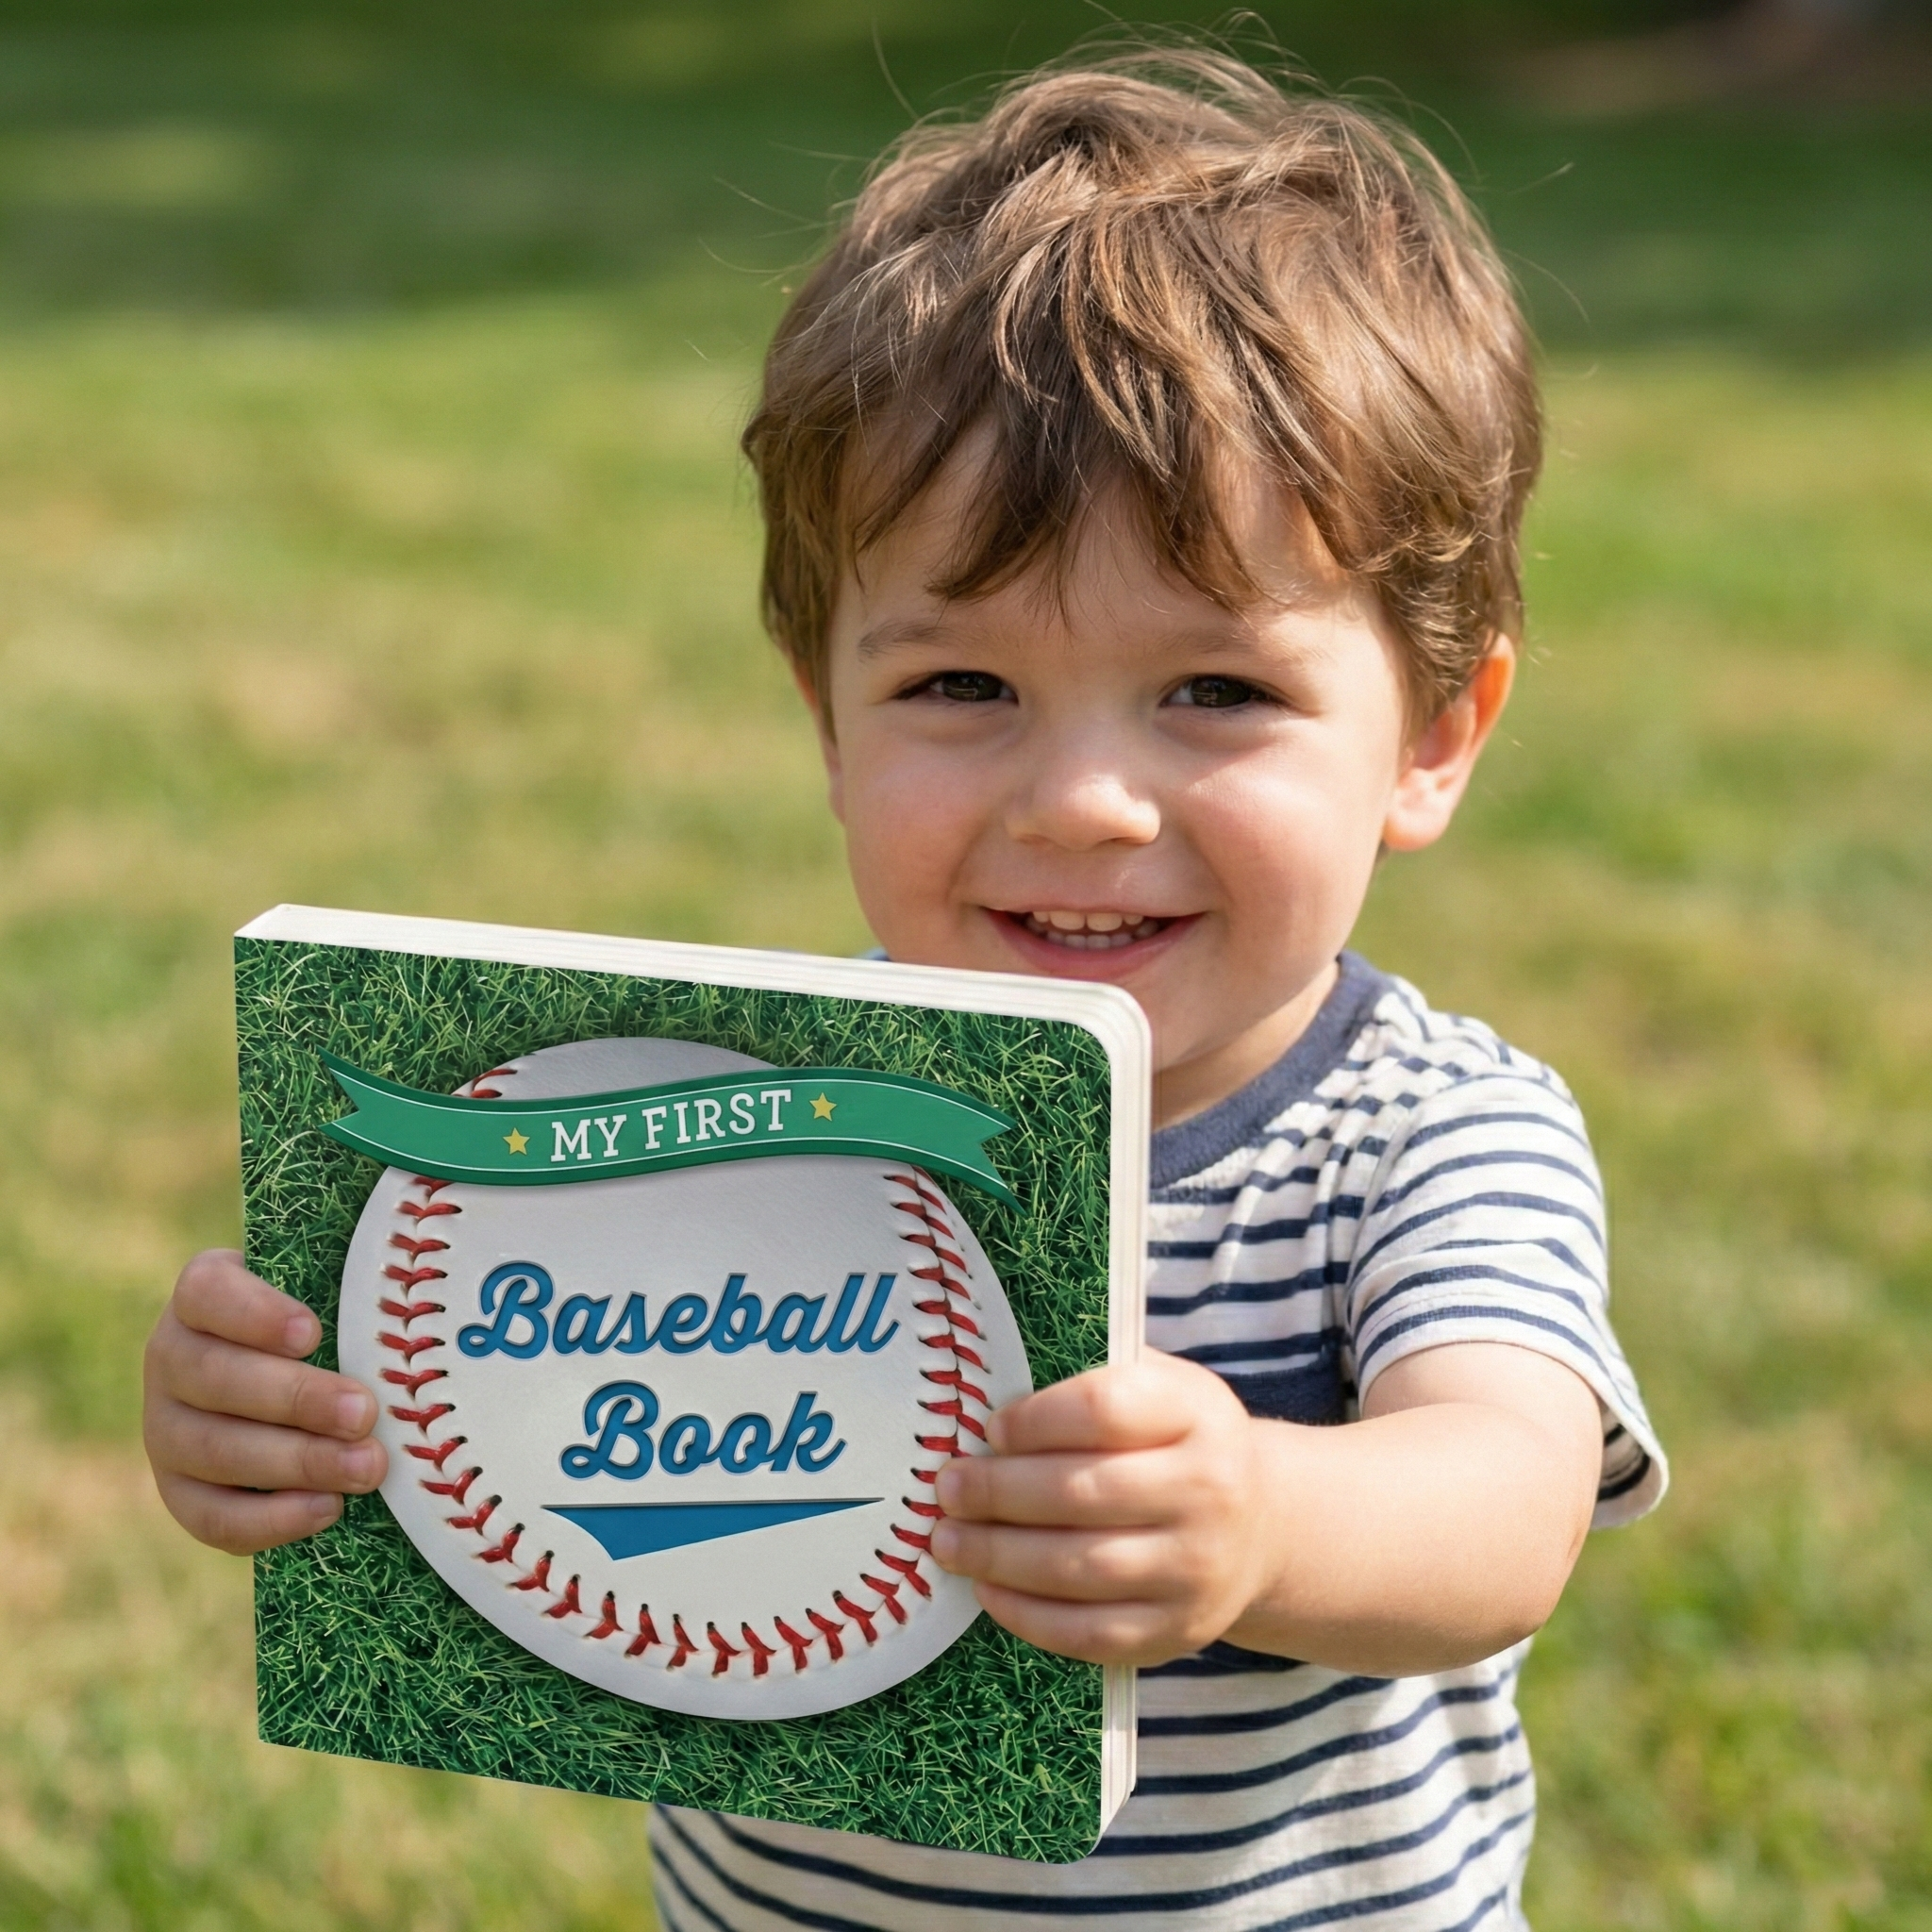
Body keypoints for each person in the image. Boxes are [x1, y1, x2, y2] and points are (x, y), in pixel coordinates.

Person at [142, 47, 1666, 1931]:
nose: (1085, 802)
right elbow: (513, 1421)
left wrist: (1261, 1515)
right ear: (828, 721)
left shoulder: (1423, 1134)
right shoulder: (735, 1097)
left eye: (1217, 692)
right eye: (961, 688)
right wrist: (292, 1417)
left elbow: (1504, 1506)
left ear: (1434, 734)